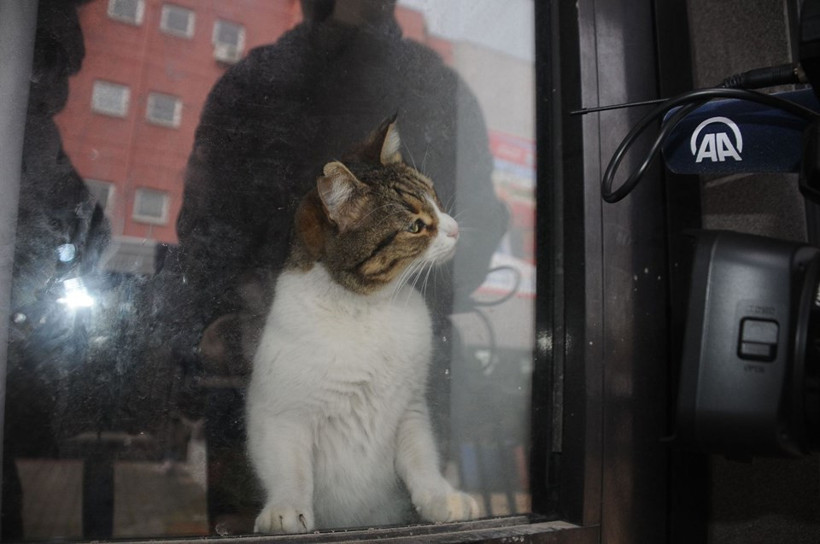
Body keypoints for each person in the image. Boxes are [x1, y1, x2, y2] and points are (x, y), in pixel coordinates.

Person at [163, 0, 509, 532]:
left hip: (379, 341)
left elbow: (206, 234)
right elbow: (209, 238)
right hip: (266, 359)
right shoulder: (428, 81)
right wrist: (238, 320)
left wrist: (402, 285)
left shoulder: (255, 79)